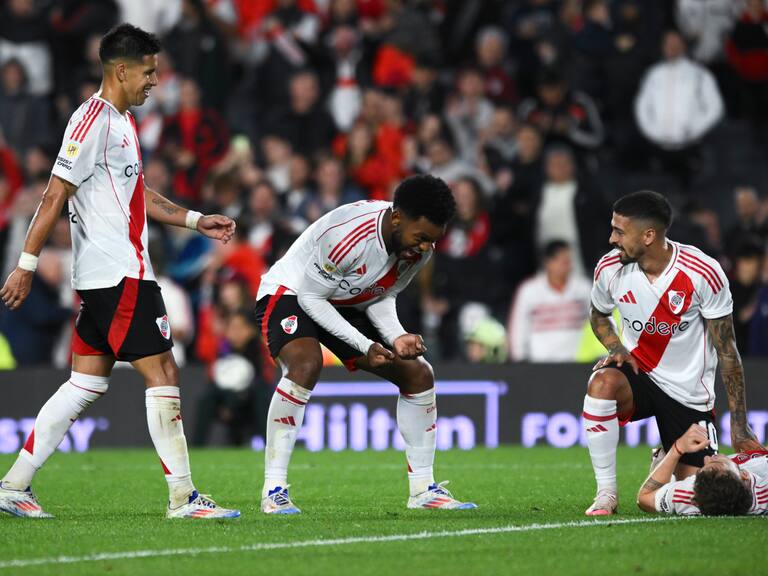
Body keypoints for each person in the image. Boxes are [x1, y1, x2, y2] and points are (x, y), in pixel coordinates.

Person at [0, 24, 239, 520]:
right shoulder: (92, 121)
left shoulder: (123, 122)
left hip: (111, 274)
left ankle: (13, 485)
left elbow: (139, 196)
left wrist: (196, 220)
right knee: (164, 371)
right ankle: (183, 498)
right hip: (118, 273)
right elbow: (53, 194)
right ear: (122, 70)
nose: (156, 81)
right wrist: (25, 264)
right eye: (149, 72)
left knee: (84, 384)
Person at [254, 174, 476, 514]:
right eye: (421, 238)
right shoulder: (348, 235)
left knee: (418, 375)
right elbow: (313, 300)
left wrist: (396, 336)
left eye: (432, 241)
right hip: (293, 292)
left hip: (345, 300)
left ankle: (423, 491)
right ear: (398, 217)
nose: (424, 247)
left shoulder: (417, 250)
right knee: (305, 364)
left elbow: (381, 295)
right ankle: (274, 490)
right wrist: (362, 343)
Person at [583, 190, 761, 516]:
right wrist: (616, 346)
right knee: (601, 383)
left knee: (704, 496)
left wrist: (739, 424)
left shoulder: (702, 272)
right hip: (641, 374)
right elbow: (598, 315)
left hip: (689, 395)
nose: (611, 239)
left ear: (649, 235)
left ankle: (665, 455)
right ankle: (606, 492)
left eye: (620, 231)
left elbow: (727, 350)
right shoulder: (609, 268)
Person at [637, 423, 767, 516]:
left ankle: (671, 474)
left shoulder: (690, 494)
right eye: (716, 462)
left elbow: (644, 498)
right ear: (744, 475)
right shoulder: (764, 491)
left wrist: (677, 449)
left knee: (664, 458)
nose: (707, 458)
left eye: (700, 473)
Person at [508, 240, 591, 362]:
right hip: (540, 363)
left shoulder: (584, 287)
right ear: (548, 262)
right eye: (563, 261)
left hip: (577, 361)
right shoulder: (529, 290)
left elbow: (596, 321)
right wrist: (518, 357)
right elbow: (519, 325)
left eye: (569, 261)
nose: (568, 265)